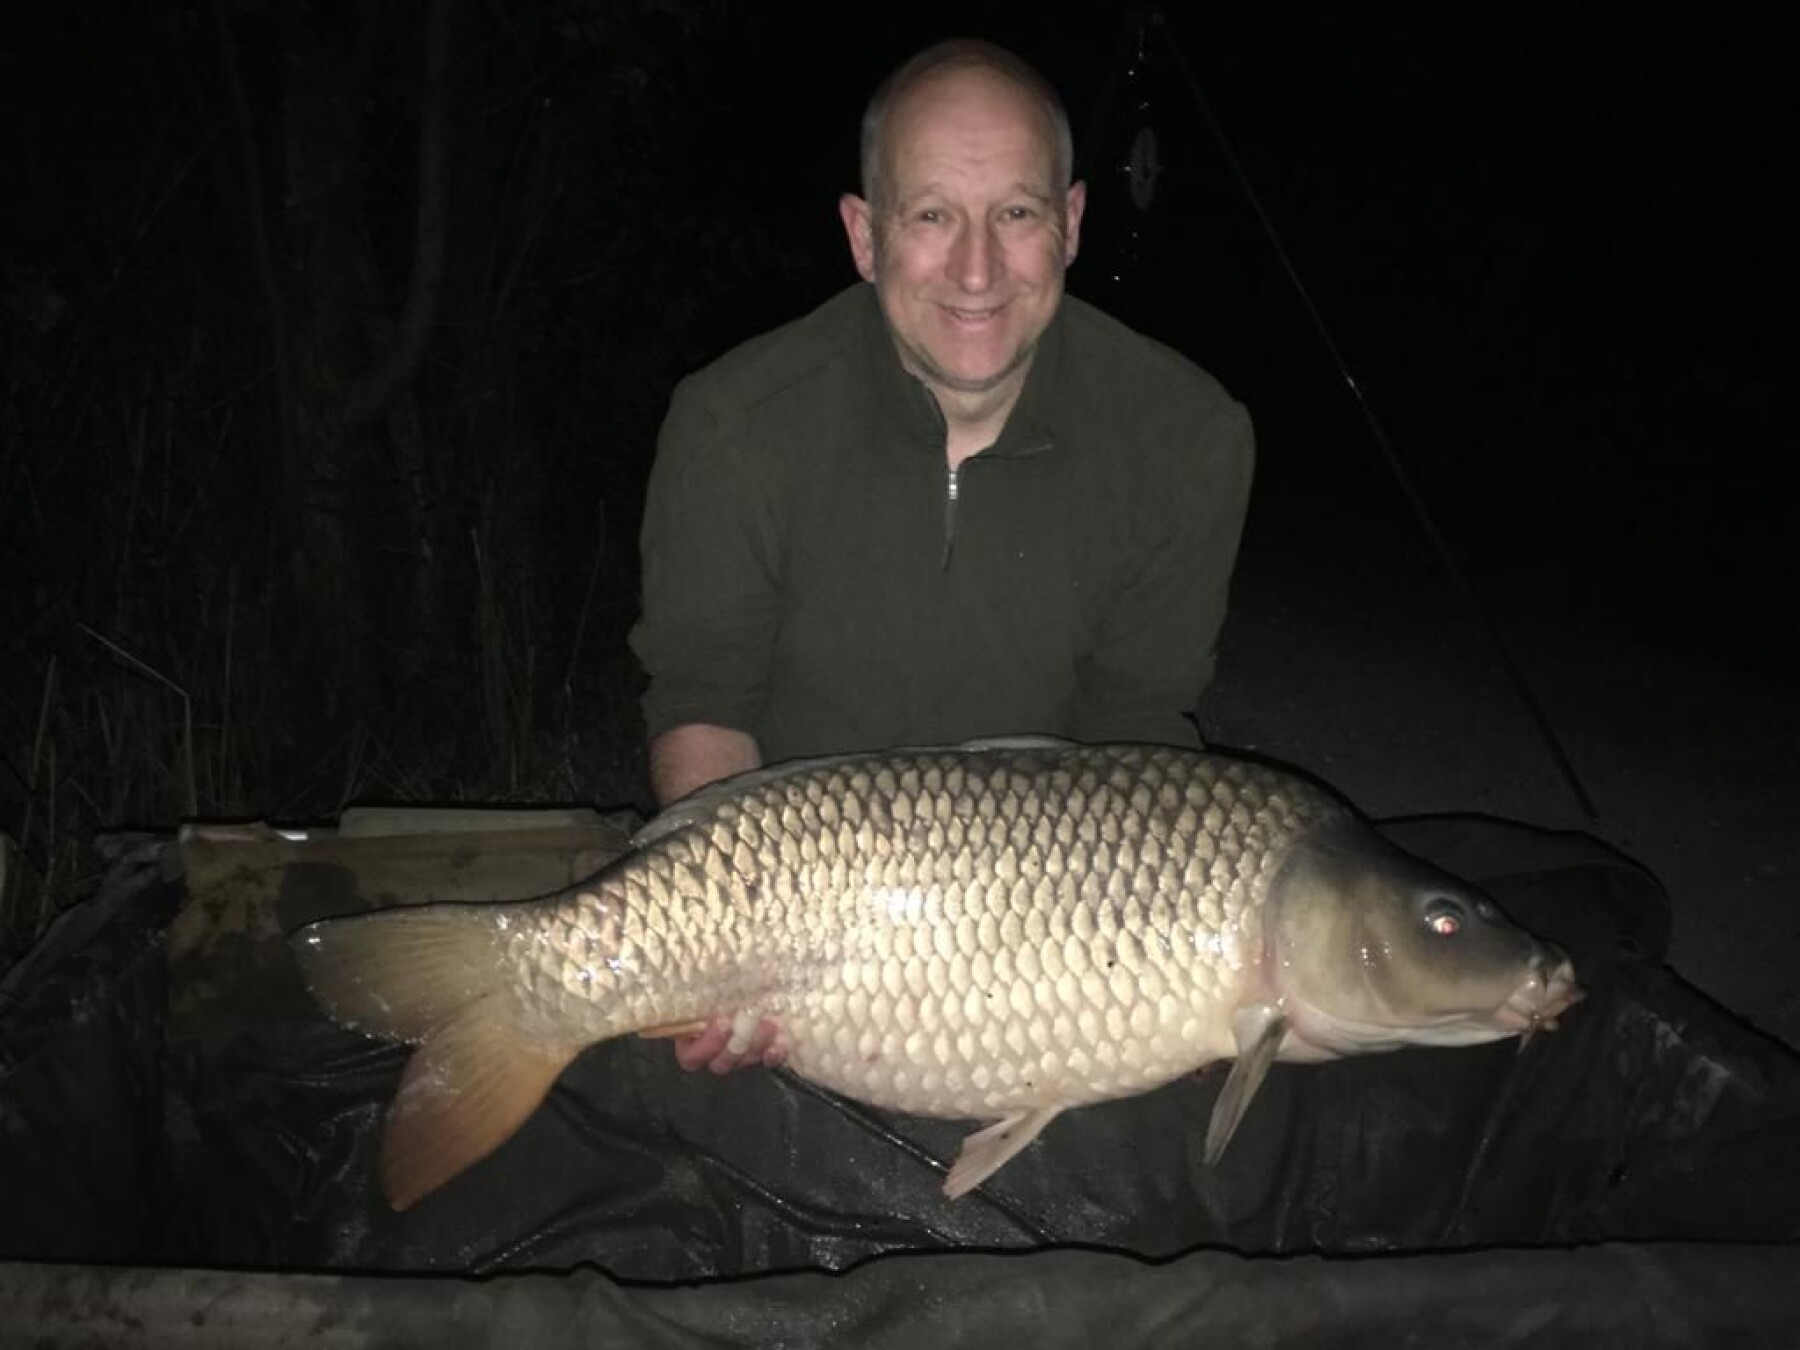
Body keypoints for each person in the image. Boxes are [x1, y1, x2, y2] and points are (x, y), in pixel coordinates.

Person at [629, 38, 1255, 1071]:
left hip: (1056, 924)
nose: (976, 271)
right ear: (863, 235)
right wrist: (729, 943)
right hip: (799, 913)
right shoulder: (733, 425)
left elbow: (1138, 723)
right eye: (931, 217)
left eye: (1016, 214)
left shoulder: (1187, 437)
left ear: (1072, 223)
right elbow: (704, 698)